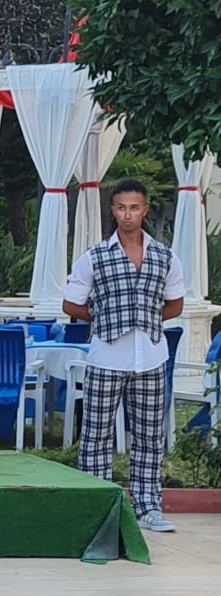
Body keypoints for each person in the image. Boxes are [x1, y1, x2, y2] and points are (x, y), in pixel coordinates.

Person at [62, 179, 185, 534]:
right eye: (121, 208)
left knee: (149, 437)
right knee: (96, 435)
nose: (128, 214)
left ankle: (148, 507)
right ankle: (97, 506)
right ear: (113, 211)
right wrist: (105, 318)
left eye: (134, 207)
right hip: (106, 357)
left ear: (144, 210)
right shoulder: (94, 257)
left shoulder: (165, 256)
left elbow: (176, 303)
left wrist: (146, 319)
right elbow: (71, 304)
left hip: (151, 357)